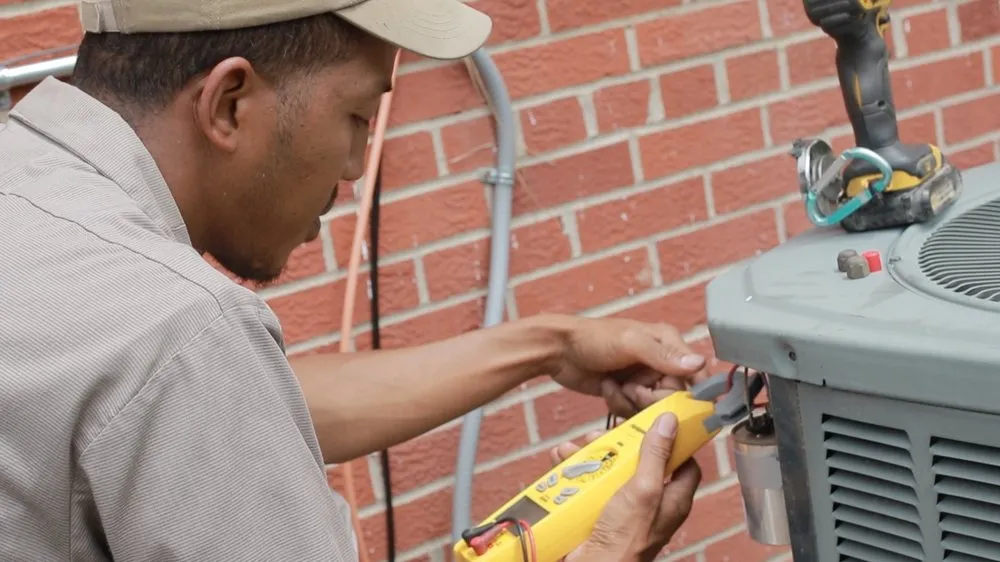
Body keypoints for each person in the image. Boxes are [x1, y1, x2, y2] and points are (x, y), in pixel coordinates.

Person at [0, 0, 708, 560]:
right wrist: (607, 550)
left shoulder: (37, 205)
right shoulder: (178, 327)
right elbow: (196, 381)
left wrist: (548, 347)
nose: (354, 164)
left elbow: (228, 410)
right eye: (357, 116)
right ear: (228, 104)